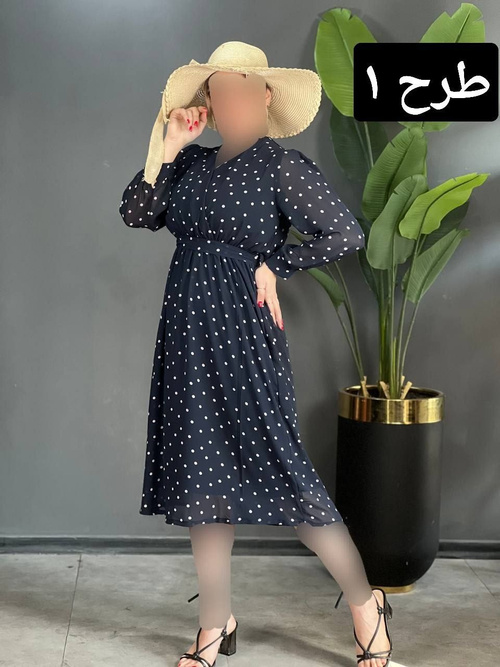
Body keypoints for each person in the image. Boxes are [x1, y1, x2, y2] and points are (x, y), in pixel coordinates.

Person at [119, 41, 394, 667]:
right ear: (209, 103)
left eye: (244, 89)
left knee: (289, 474)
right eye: (220, 92)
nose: (233, 101)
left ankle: (364, 603)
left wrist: (278, 264)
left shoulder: (281, 166)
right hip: (187, 339)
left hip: (244, 338)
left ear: (266, 97)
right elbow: (136, 213)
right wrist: (167, 148)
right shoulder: (189, 165)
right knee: (203, 478)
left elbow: (344, 231)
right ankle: (214, 622)